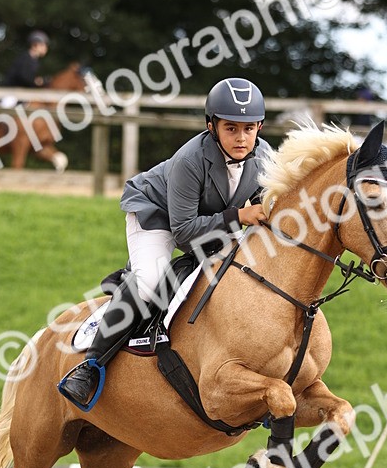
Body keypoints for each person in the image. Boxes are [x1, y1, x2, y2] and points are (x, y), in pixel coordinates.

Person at [58, 76, 272, 410]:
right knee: (150, 281)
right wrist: (239, 218)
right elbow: (184, 231)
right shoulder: (190, 159)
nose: (241, 138)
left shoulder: (265, 159)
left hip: (209, 217)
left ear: (260, 127)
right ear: (212, 126)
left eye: (249, 128)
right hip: (157, 213)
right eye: (231, 128)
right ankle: (90, 366)